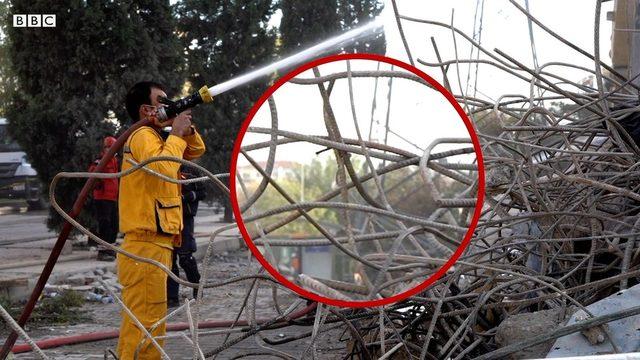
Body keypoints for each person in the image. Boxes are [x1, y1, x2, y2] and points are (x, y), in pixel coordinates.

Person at [117, 81, 205, 359]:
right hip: (145, 245)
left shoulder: (159, 138)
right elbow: (165, 169)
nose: (169, 103)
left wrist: (185, 130)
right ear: (147, 109)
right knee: (144, 323)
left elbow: (196, 151)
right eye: (162, 100)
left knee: (152, 323)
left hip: (156, 244)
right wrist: (177, 134)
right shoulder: (143, 135)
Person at [167, 168, 206, 307]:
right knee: (168, 260)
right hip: (166, 218)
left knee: (185, 258)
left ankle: (198, 289)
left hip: (185, 219)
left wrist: (187, 197)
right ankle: (171, 297)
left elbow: (202, 193)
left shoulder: (192, 171)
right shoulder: (163, 166)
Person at [88, 136, 119, 261]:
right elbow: (92, 173)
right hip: (102, 198)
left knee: (114, 224)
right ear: (105, 148)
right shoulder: (100, 160)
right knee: (105, 224)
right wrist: (98, 182)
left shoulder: (114, 160)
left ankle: (109, 248)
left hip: (112, 198)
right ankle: (103, 251)